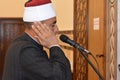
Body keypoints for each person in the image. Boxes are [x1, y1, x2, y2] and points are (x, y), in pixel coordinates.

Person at [2, 0, 72, 80]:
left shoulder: (23, 43)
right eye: (52, 25)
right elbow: (60, 76)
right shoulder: (26, 50)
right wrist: (54, 45)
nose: (56, 29)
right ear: (37, 27)